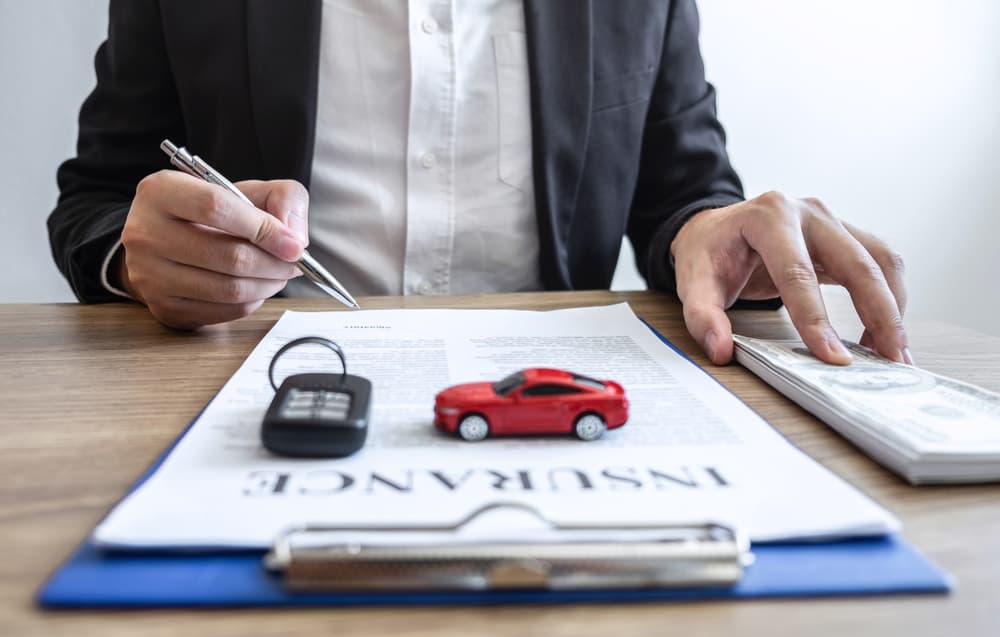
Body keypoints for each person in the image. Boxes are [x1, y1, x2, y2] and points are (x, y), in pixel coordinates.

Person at [48, 0, 910, 367]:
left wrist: (720, 233)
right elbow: (96, 198)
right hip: (255, 391)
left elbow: (684, 196)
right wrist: (135, 258)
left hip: (561, 402)